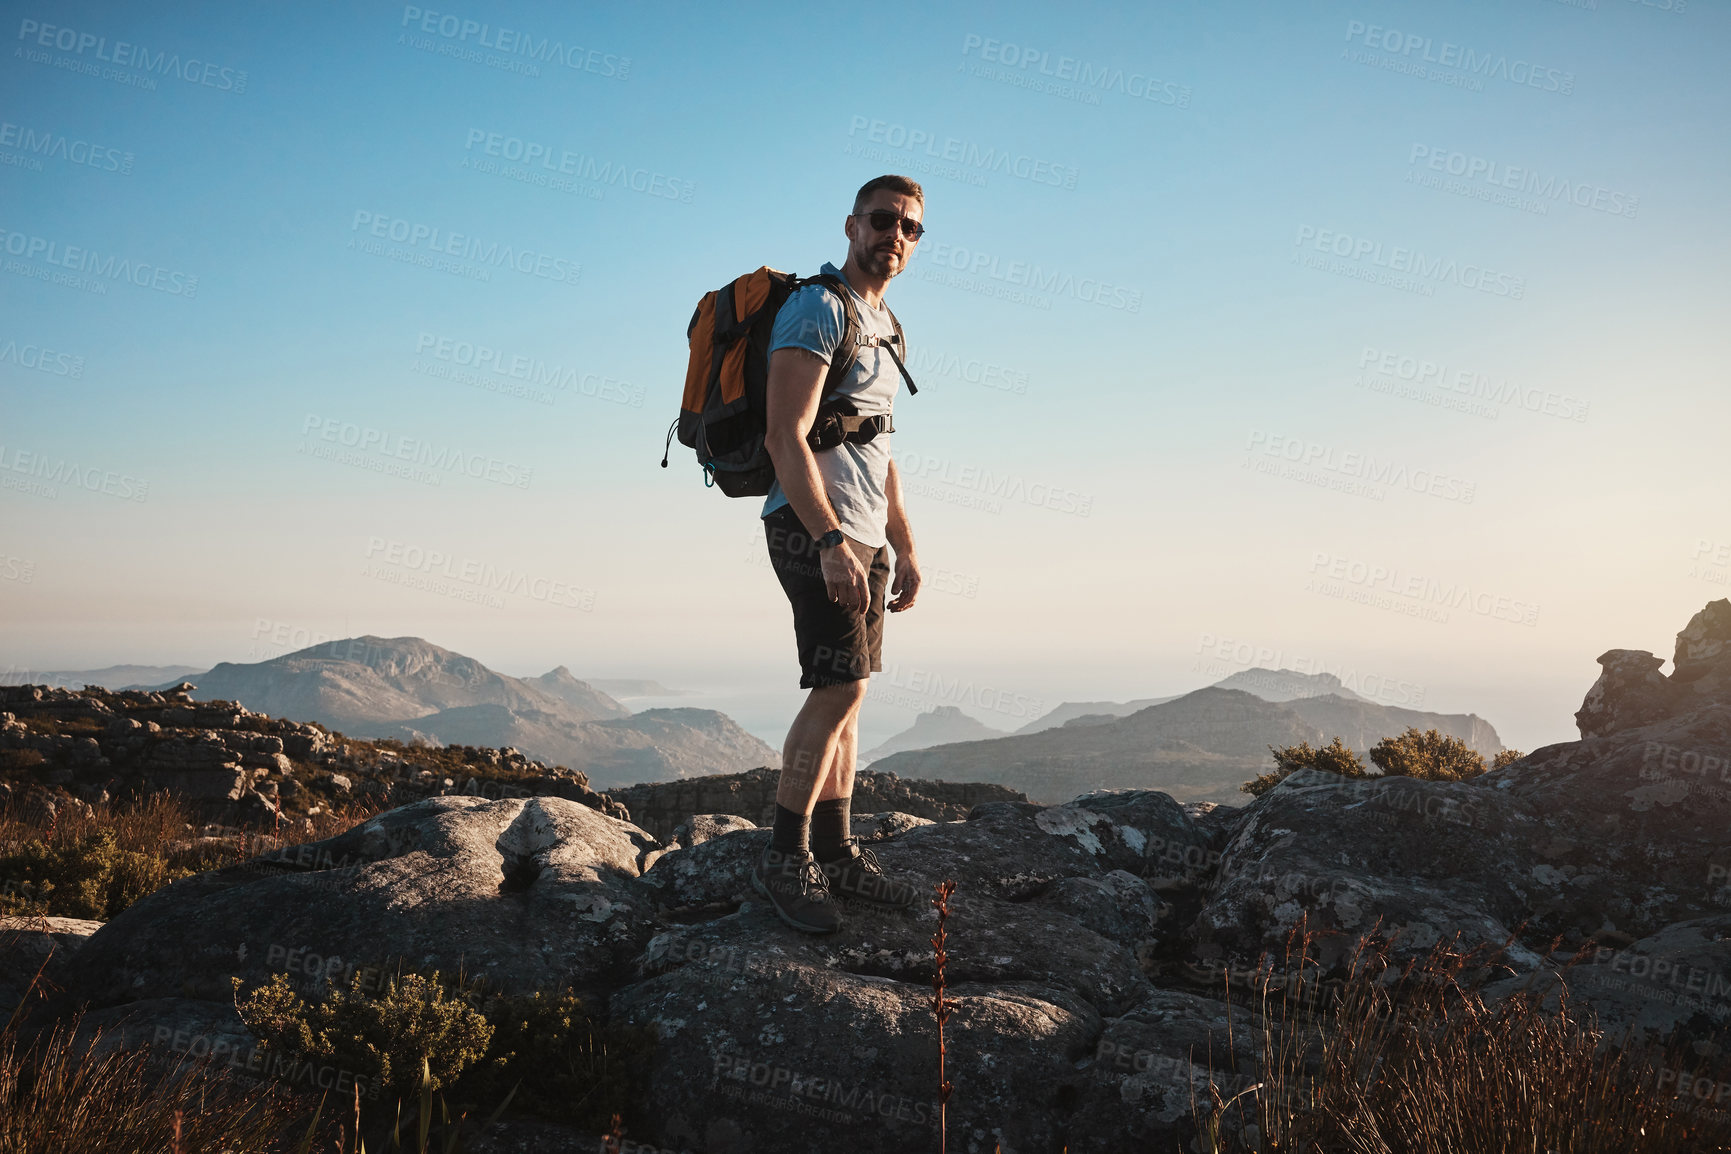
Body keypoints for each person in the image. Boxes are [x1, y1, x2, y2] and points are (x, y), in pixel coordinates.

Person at [750, 174, 927, 933]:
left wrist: (904, 545)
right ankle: (785, 859)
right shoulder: (816, 309)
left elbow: (879, 447)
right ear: (851, 226)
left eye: (910, 227)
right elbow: (782, 434)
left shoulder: (887, 326)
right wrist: (826, 541)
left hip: (863, 534)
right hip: (810, 524)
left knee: (851, 693)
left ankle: (837, 850)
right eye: (883, 220)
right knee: (838, 690)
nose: (895, 235)